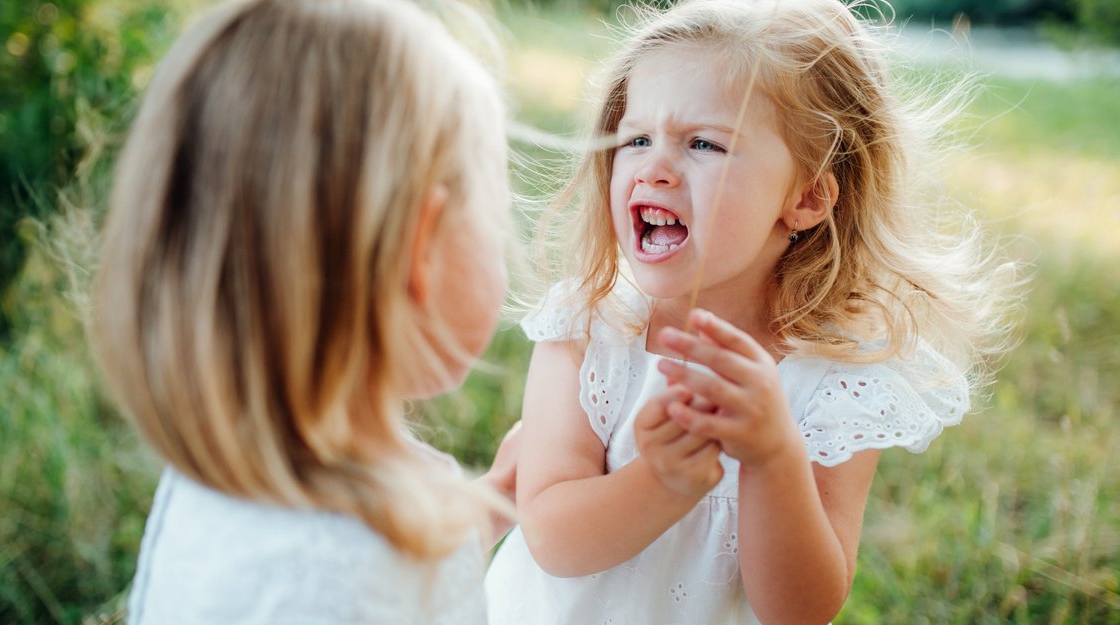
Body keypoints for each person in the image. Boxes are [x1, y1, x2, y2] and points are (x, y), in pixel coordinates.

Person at [484, 1, 1019, 624]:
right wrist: (663, 481)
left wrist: (772, 458)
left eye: (704, 144)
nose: (653, 167)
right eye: (636, 139)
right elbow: (553, 537)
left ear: (808, 196)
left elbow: (802, 608)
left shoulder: (835, 375)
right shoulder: (590, 331)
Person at [88, 0, 519, 622]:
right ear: (419, 245)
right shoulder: (320, 590)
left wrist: (497, 500)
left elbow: (395, 567)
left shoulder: (232, 481)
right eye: (496, 215)